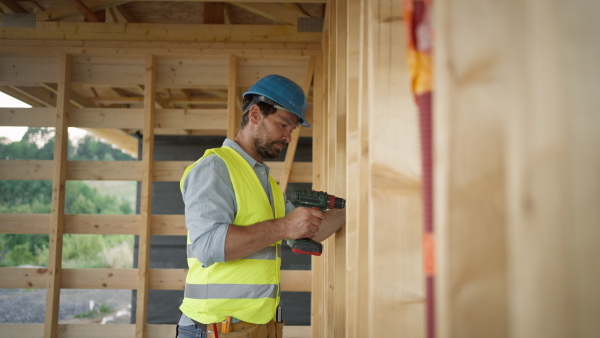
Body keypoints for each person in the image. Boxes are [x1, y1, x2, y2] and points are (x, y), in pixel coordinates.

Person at [176, 74, 346, 338]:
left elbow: (308, 229)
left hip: (257, 327)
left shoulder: (264, 181)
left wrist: (352, 210)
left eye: (292, 129)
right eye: (283, 125)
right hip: (215, 329)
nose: (288, 137)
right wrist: (284, 226)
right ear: (255, 114)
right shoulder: (215, 168)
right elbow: (208, 246)